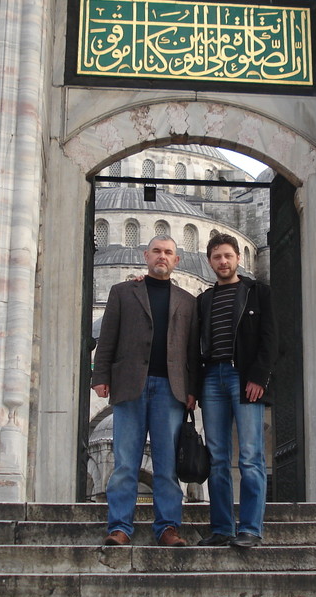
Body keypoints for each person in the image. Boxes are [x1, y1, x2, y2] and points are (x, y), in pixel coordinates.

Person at [92, 235, 198, 547]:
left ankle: (167, 527)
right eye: (156, 251)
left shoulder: (188, 301)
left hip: (171, 389)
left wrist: (192, 390)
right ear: (145, 255)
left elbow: (192, 351)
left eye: (168, 253)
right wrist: (100, 376)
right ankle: (120, 527)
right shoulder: (123, 292)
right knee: (125, 462)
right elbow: (107, 337)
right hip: (130, 385)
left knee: (166, 464)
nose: (162, 257)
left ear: (176, 260)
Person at [196, 233, 277, 549]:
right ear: (210, 261)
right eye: (217, 257)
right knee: (217, 457)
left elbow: (271, 340)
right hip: (212, 379)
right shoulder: (203, 299)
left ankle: (251, 529)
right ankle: (222, 528)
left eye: (228, 256)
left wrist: (258, 377)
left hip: (243, 379)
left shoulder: (258, 293)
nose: (223, 262)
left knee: (250, 455)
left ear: (237, 258)